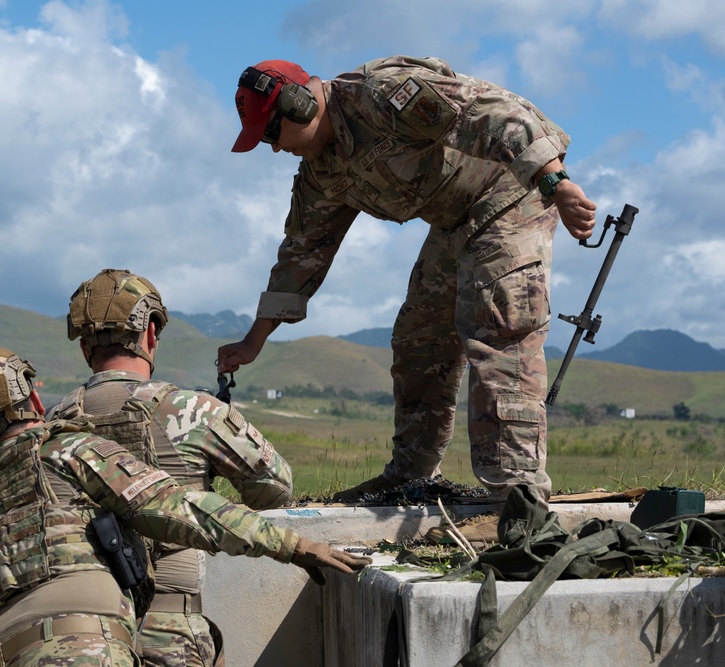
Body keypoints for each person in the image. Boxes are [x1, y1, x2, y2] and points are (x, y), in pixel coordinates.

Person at [218, 57, 598, 539]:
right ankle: (412, 478)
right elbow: (301, 253)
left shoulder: (382, 95)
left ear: (296, 106)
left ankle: (518, 503)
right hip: (455, 220)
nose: (273, 150)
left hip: (509, 194)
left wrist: (556, 183)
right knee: (420, 337)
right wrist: (255, 340)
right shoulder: (321, 169)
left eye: (270, 135)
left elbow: (498, 115)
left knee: (499, 330)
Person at [0, 347, 369, 667]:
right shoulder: (64, 449)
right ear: (35, 402)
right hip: (84, 647)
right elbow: (176, 508)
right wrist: (292, 545)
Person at [50, 268, 294, 667]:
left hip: (81, 639)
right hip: (170, 634)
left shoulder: (50, 426)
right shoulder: (193, 410)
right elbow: (275, 489)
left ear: (83, 347)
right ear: (149, 333)